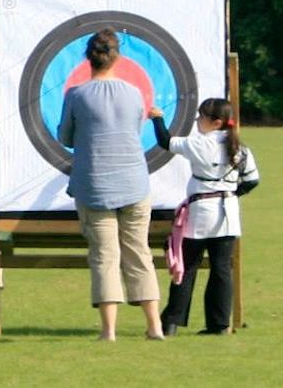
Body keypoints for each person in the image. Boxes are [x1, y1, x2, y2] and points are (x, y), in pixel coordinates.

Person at [57, 28, 164, 341]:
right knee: (139, 253)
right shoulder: (133, 93)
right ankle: (154, 326)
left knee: (105, 256)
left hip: (94, 186)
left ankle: (109, 331)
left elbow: (65, 138)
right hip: (134, 183)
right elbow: (133, 128)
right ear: (117, 57)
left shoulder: (75, 95)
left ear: (88, 58)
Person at [154, 98, 258, 336]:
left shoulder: (199, 144)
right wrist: (232, 194)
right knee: (221, 269)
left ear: (216, 122)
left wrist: (156, 118)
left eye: (201, 117)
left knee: (187, 267)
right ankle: (219, 324)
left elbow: (165, 141)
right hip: (228, 214)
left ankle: (171, 323)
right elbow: (252, 181)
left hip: (201, 214)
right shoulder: (241, 148)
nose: (198, 121)